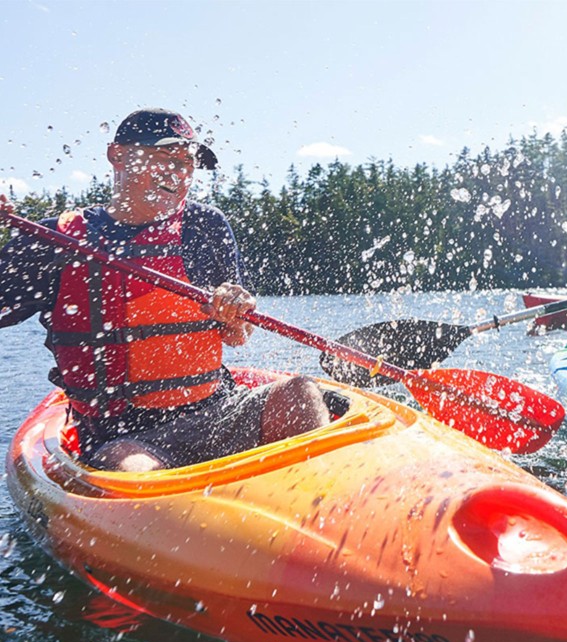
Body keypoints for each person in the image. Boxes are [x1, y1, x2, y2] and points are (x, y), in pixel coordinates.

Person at [0, 107, 329, 471]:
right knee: (132, 469)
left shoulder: (204, 226)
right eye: (164, 158)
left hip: (219, 411)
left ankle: (321, 503)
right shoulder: (56, 242)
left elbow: (237, 336)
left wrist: (236, 312)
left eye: (187, 162)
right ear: (117, 155)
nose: (179, 173)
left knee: (299, 393)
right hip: (124, 438)